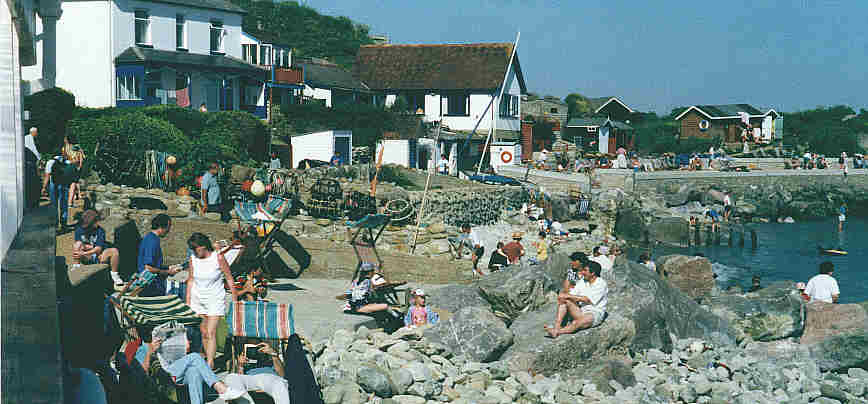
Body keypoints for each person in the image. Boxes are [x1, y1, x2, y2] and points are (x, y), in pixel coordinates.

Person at [137, 332, 244, 404]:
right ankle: (221, 388)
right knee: (195, 357)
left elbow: (186, 353)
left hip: (179, 374)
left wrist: (183, 345)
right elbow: (143, 372)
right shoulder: (142, 348)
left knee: (194, 371)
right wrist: (150, 352)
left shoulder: (168, 338)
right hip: (165, 375)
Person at [186, 233, 238, 369]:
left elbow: (229, 278)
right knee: (203, 331)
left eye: (195, 248)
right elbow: (191, 280)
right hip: (198, 298)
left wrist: (235, 298)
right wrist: (188, 301)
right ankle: (208, 359)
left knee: (211, 332)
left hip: (215, 298)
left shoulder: (218, 257)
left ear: (203, 247)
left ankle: (210, 362)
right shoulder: (193, 259)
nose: (193, 252)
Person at [544, 259, 608, 338]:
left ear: (593, 273)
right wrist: (564, 296)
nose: (582, 272)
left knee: (577, 323)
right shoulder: (583, 281)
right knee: (564, 299)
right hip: (581, 310)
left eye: (585, 270)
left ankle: (557, 332)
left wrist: (568, 296)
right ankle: (557, 326)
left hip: (594, 313)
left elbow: (587, 299)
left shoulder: (600, 283)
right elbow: (572, 294)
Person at [225, 340, 290, 404]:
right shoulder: (245, 364)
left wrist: (274, 355)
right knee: (230, 377)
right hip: (251, 379)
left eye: (258, 348)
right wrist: (241, 366)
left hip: (269, 378)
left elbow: (282, 376)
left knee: (280, 383)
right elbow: (239, 382)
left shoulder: (270, 361)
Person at [72, 210, 123, 285]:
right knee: (77, 244)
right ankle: (76, 265)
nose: (98, 223)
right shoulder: (79, 230)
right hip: (87, 256)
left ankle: (114, 274)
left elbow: (98, 248)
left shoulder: (100, 231)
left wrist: (85, 251)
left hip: (98, 256)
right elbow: (80, 244)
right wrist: (89, 249)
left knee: (114, 251)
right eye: (96, 221)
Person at [137, 214, 180, 297]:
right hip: (150, 286)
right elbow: (148, 268)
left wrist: (167, 267)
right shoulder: (152, 241)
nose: (169, 230)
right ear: (161, 227)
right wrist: (168, 272)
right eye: (168, 227)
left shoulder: (151, 238)